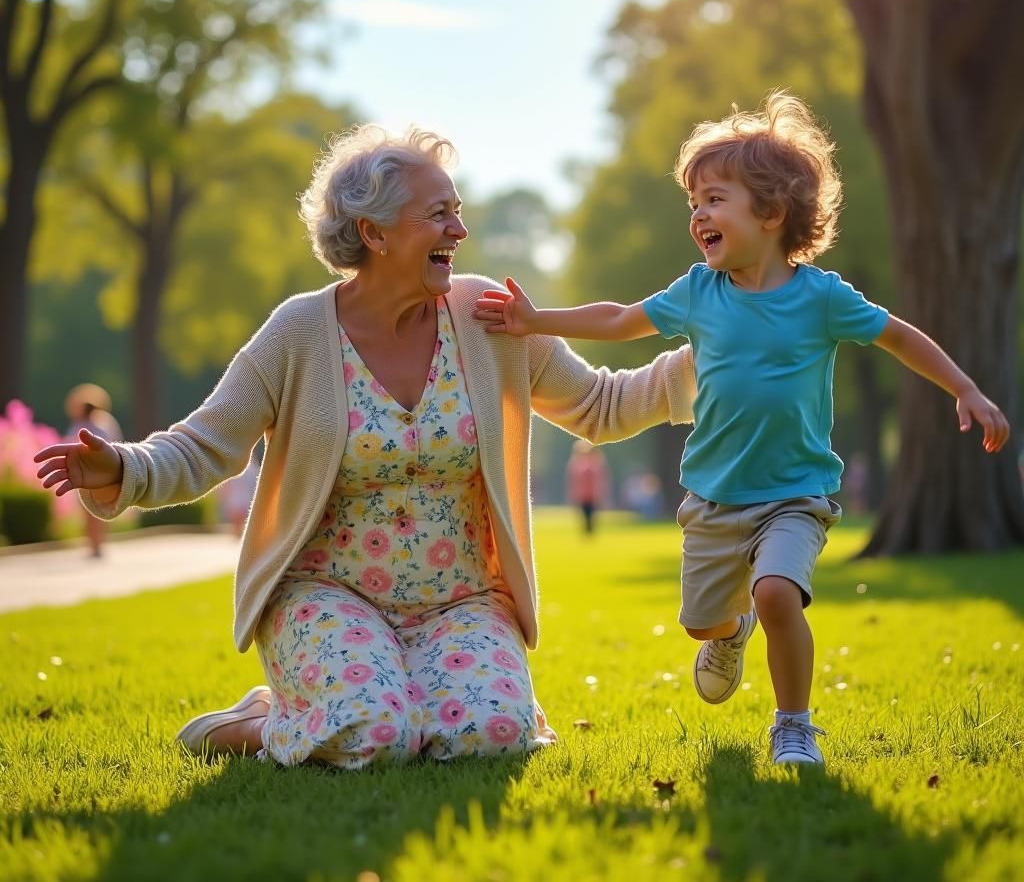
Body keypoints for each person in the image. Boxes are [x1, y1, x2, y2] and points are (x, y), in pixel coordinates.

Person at [34, 126, 697, 768]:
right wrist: (124, 466)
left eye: (458, 213)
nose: (459, 232)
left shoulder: (487, 317)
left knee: (490, 734)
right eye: (439, 215)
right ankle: (261, 722)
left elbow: (601, 406)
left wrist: (725, 354)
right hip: (325, 595)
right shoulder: (297, 333)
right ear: (374, 233)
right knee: (374, 733)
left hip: (459, 599)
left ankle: (366, 701)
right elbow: (205, 445)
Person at [474, 90, 1010, 766]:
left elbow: (899, 337)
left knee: (779, 592)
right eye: (694, 202)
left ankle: (794, 724)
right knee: (703, 619)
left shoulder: (822, 298)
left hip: (795, 495)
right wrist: (534, 320)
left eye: (715, 198)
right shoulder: (699, 292)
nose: (699, 214)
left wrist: (964, 388)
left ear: (773, 212)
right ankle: (728, 635)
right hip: (713, 499)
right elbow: (618, 320)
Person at [64, 383, 122, 558]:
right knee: (92, 510)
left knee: (95, 510)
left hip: (95, 472)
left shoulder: (98, 423)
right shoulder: (97, 423)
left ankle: (96, 544)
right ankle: (94, 544)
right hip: (93, 472)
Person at [565, 439, 610, 535]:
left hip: (592, 494)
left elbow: (601, 479)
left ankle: (590, 532)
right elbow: (573, 480)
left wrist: (602, 492)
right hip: (582, 494)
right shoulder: (576, 462)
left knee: (591, 514)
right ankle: (587, 532)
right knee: (584, 514)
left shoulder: (596, 461)